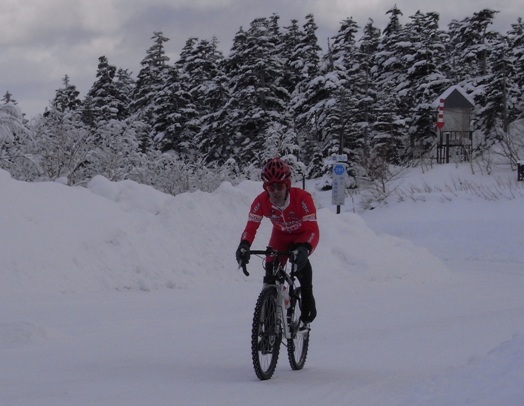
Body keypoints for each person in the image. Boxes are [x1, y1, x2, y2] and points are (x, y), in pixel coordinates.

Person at [236, 157, 319, 324]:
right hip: (280, 236)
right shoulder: (261, 201)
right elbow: (251, 226)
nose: (275, 191)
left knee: (299, 262)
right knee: (270, 274)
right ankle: (268, 324)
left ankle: (307, 294)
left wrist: (306, 248)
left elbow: (312, 229)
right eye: (270, 187)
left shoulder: (302, 198)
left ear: (287, 185)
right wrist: (244, 245)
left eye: (279, 186)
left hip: (301, 235)